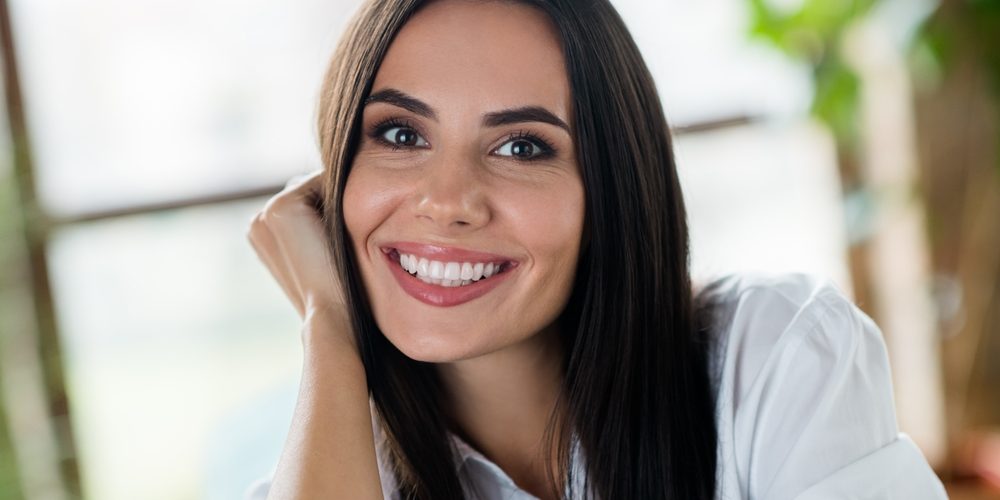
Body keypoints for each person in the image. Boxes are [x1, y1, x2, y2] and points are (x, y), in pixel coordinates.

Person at [245, 0, 948, 498]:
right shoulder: (330, 476)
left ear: (613, 184)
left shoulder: (772, 360)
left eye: (522, 147)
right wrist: (329, 330)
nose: (447, 200)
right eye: (401, 135)